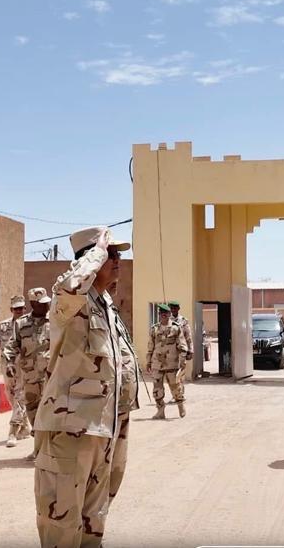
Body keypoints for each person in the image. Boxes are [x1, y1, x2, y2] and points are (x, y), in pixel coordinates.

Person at [34, 226, 128, 547]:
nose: (117, 260)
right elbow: (70, 285)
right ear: (90, 258)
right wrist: (97, 253)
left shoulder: (105, 304)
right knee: (61, 524)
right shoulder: (71, 301)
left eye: (116, 254)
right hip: (70, 430)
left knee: (93, 523)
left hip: (102, 430)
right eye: (111, 254)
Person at [105, 278, 140, 522]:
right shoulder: (80, 303)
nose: (117, 266)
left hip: (122, 404)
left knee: (113, 474)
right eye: (110, 260)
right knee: (95, 477)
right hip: (101, 410)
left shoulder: (110, 309)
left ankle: (95, 528)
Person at [3, 288, 51, 461]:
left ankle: (48, 451)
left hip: (51, 376)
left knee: (50, 412)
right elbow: (12, 345)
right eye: (42, 303)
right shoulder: (21, 324)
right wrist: (9, 363)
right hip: (30, 376)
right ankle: (39, 449)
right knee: (32, 412)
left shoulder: (54, 321)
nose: (46, 306)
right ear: (33, 304)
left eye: (47, 303)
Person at [0, 294, 28, 448]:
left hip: (23, 365)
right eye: (16, 309)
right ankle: (25, 424)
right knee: (10, 394)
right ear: (11, 310)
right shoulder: (3, 326)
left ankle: (13, 431)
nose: (19, 311)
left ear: (25, 308)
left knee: (20, 396)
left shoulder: (29, 324)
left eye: (21, 308)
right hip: (7, 365)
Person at [147, 303, 188, 419]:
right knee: (157, 389)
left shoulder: (175, 328)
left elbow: (182, 345)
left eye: (165, 313)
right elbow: (150, 347)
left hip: (172, 363)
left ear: (169, 314)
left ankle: (180, 405)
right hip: (157, 364)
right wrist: (148, 362)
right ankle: (160, 411)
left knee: (175, 387)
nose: (163, 315)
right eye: (161, 313)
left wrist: (183, 359)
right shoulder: (154, 329)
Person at [168, 300, 194, 381]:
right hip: (170, 350)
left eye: (175, 308)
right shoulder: (168, 320)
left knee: (181, 371)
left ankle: (180, 386)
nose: (173, 310)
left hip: (181, 350)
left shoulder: (183, 320)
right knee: (171, 372)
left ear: (178, 308)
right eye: (172, 308)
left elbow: (188, 336)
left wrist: (190, 350)